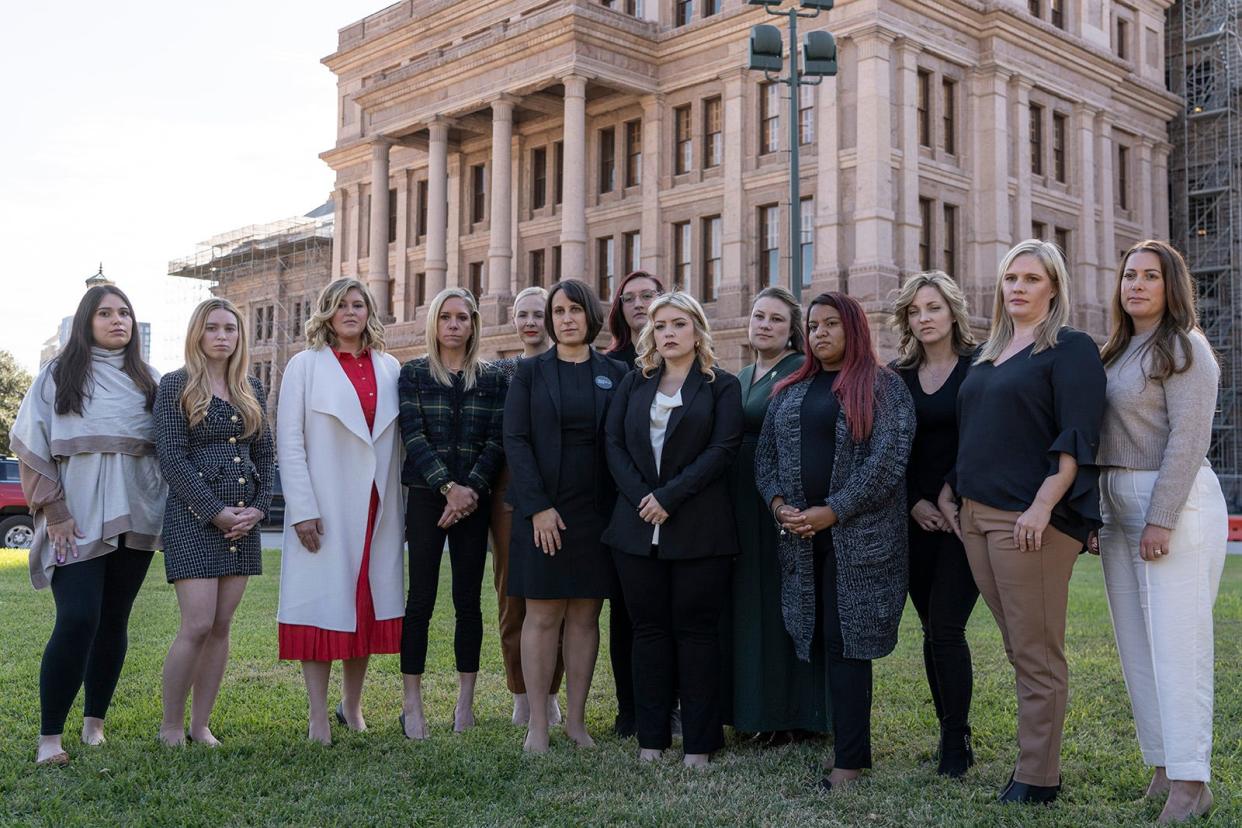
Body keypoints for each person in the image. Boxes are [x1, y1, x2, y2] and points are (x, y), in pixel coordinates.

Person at [937, 239, 1105, 804]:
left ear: (1053, 287)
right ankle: (1032, 762)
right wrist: (951, 490)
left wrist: (1041, 504)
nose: (1017, 288)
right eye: (1011, 278)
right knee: (1017, 647)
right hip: (977, 517)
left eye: (1031, 279)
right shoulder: (989, 354)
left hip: (1030, 519)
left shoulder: (1071, 349)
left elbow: (1077, 438)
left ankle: (1038, 777)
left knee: (1036, 652)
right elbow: (977, 430)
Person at [755, 292, 915, 793]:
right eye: (814, 325)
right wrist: (781, 504)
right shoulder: (790, 389)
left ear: (854, 329)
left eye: (831, 324)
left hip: (860, 542)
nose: (819, 333)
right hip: (802, 539)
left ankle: (849, 762)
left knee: (849, 644)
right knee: (821, 635)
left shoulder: (884, 387)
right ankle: (840, 740)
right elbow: (765, 459)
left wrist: (833, 511)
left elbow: (887, 463)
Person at [1096, 240, 1226, 823]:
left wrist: (1161, 517)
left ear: (1171, 285)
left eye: (1150, 276)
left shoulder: (1185, 347)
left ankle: (1192, 782)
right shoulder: (1116, 351)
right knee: (1137, 647)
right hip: (1118, 505)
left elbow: (1189, 438)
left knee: (1179, 646)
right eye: (1129, 275)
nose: (1137, 285)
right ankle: (1162, 766)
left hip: (1172, 504)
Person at [12, 285, 165, 766]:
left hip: (137, 513)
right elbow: (31, 443)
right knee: (78, 618)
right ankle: (49, 738)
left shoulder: (150, 381)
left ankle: (94, 724)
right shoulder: (58, 376)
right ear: (86, 321)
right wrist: (54, 510)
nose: (117, 321)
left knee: (114, 619)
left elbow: (169, 449)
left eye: (124, 313)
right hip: (73, 519)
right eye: (105, 313)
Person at [604, 292, 742, 767]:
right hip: (634, 531)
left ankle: (699, 746)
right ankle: (652, 740)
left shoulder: (721, 386)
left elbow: (722, 450)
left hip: (700, 531)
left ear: (698, 331)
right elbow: (614, 444)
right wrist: (644, 497)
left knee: (697, 635)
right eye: (660, 325)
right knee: (648, 634)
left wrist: (669, 497)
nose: (668, 333)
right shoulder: (632, 383)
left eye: (678, 324)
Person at [276, 279, 404, 745]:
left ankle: (351, 706)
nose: (351, 312)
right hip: (325, 503)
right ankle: (317, 717)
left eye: (359, 305)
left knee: (365, 607)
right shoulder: (304, 367)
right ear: (326, 312)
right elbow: (289, 442)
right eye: (341, 305)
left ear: (370, 312)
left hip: (377, 504)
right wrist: (302, 509)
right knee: (323, 606)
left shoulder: (390, 367)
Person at [503, 279, 629, 753]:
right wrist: (537, 508)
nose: (566, 318)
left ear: (590, 316)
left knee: (584, 615)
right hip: (542, 512)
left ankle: (576, 723)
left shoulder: (615, 373)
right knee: (542, 614)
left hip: (597, 513)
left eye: (575, 309)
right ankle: (538, 723)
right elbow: (515, 440)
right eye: (558, 311)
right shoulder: (530, 373)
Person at [154, 298, 274, 747]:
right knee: (197, 624)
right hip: (193, 520)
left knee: (222, 627)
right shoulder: (175, 386)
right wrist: (215, 512)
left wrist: (258, 508)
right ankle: (170, 725)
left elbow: (265, 453)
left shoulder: (253, 389)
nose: (223, 336)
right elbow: (171, 457)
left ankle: (201, 724)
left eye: (231, 329)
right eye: (213, 328)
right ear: (197, 335)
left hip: (244, 522)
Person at [398, 287, 505, 738]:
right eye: (446, 317)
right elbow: (413, 434)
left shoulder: (495, 378)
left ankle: (465, 703)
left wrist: (469, 491)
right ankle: (412, 705)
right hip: (427, 497)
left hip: (474, 503)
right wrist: (446, 486)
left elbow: (497, 440)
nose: (455, 325)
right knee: (420, 599)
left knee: (468, 602)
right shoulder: (414, 374)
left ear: (474, 324)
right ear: (435, 324)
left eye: (463, 317)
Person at [726, 286, 827, 742]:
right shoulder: (743, 374)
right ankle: (753, 711)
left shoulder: (799, 373)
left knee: (785, 604)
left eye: (776, 320)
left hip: (780, 502)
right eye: (758, 316)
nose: (764, 325)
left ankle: (789, 716)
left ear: (792, 333)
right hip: (738, 503)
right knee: (748, 605)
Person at [888, 272, 979, 777]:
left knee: (947, 624)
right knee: (930, 629)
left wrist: (950, 491)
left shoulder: (979, 367)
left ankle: (955, 741)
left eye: (933, 309)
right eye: (915, 312)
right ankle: (950, 729)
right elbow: (882, 452)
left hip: (965, 519)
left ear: (952, 312)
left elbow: (988, 440)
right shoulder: (896, 376)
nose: (924, 319)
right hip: (914, 521)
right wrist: (912, 503)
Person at [491, 286, 565, 727]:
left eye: (540, 314)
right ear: (514, 321)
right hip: (507, 493)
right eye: (524, 315)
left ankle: (551, 691)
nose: (532, 322)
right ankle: (521, 691)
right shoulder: (500, 372)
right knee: (512, 593)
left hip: (561, 491)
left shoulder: (569, 367)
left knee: (558, 594)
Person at [602, 269, 664, 736]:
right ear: (619, 308)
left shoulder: (687, 362)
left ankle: (673, 704)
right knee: (627, 612)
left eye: (649, 296)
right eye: (630, 298)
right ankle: (630, 709)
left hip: (676, 505)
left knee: (675, 610)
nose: (640, 304)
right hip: (623, 506)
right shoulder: (610, 366)